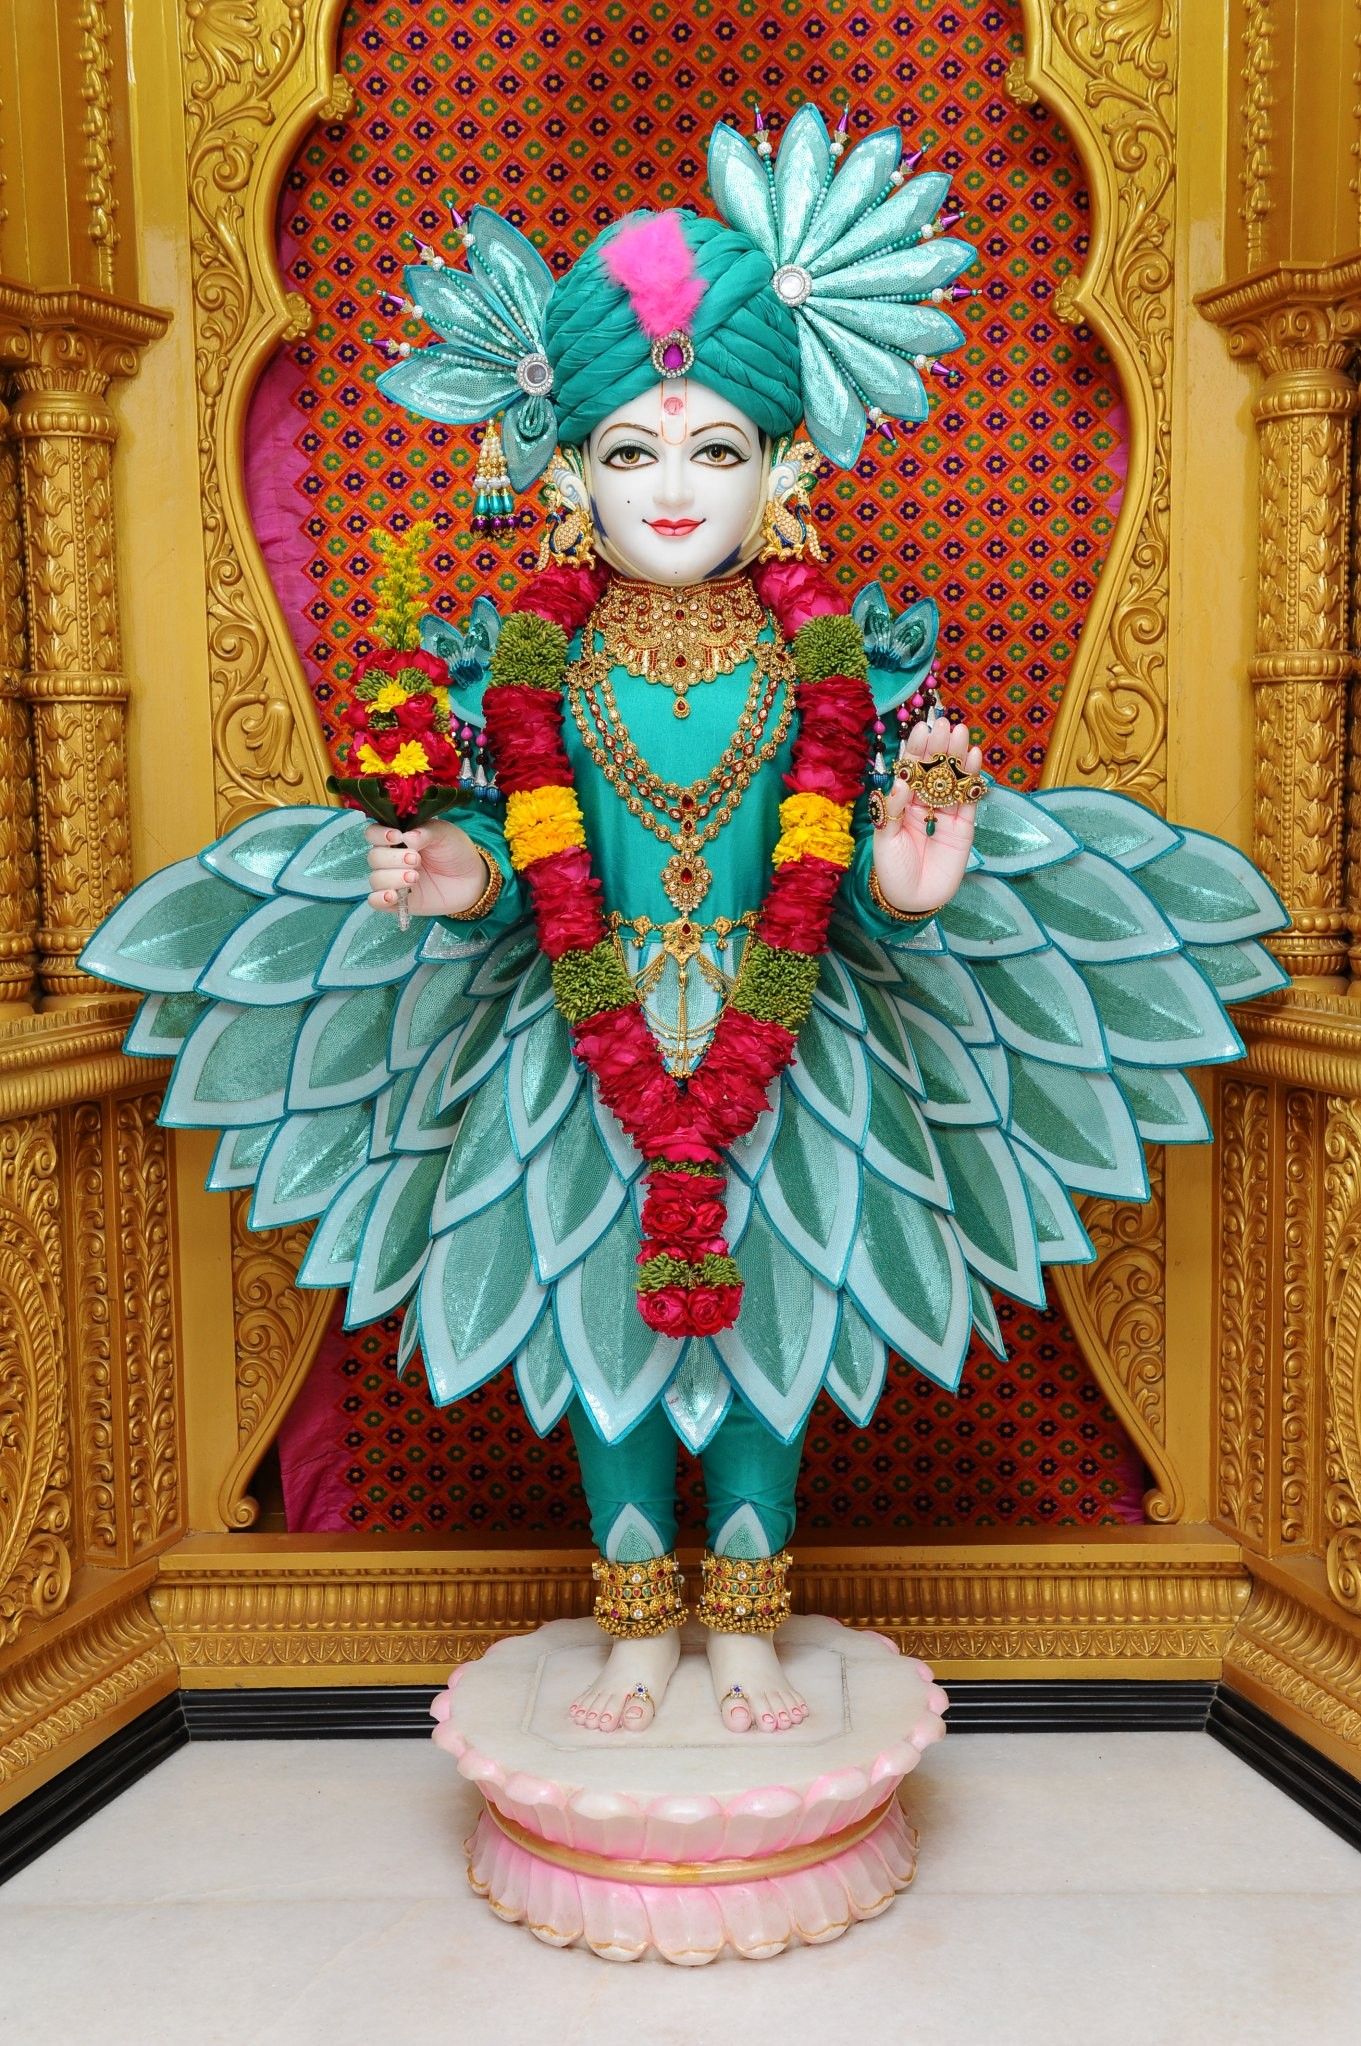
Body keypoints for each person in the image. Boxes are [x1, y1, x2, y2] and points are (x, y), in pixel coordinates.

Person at [84, 108, 1286, 1740]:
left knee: (772, 1330)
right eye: (631, 452)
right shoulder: (539, 668)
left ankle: (747, 1618)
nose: (671, 488)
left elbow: (855, 857)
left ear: (784, 469)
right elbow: (525, 853)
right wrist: (458, 884)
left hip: (787, 1042)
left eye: (714, 449)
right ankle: (633, 1614)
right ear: (564, 468)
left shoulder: (821, 664)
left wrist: (914, 876)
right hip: (576, 1052)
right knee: (600, 1329)